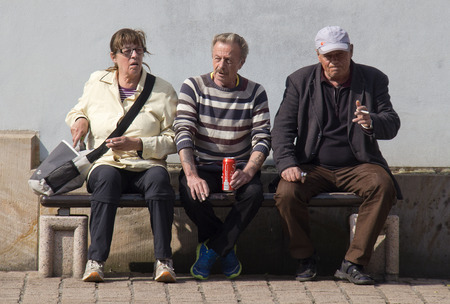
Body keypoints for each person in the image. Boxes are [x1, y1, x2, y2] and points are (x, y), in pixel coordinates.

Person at [271, 26, 402, 285]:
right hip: (312, 166)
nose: (334, 61)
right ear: (318, 55)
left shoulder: (373, 79)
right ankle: (305, 258)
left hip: (358, 164)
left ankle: (353, 263)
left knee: (383, 185)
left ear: (351, 51)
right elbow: (282, 128)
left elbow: (392, 123)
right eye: (328, 55)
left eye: (340, 54)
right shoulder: (299, 81)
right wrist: (287, 163)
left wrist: (370, 121)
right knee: (286, 192)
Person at [66, 28, 178, 283]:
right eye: (127, 52)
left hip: (147, 164)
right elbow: (76, 110)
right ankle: (95, 261)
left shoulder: (163, 90)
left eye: (139, 50)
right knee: (106, 180)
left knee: (160, 182)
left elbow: (173, 139)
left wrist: (138, 143)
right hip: (107, 162)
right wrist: (80, 119)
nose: (134, 56)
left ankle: (163, 261)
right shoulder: (97, 82)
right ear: (114, 56)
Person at [173, 33, 271, 280]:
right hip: (204, 165)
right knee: (189, 189)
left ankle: (211, 249)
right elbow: (183, 131)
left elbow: (262, 138)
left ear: (241, 62)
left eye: (228, 60)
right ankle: (224, 249)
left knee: (254, 193)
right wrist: (192, 174)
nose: (221, 66)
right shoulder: (193, 86)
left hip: (238, 166)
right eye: (217, 58)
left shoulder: (255, 92)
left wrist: (249, 171)